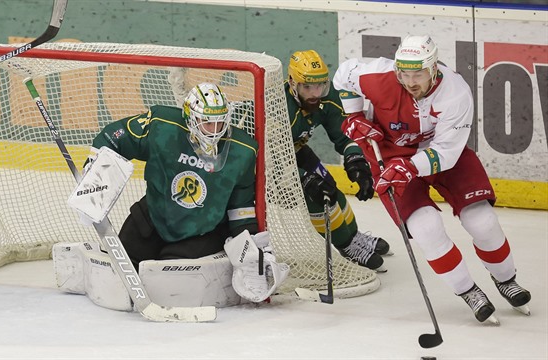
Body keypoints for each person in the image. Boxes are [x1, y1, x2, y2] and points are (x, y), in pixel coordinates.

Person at [332, 35, 531, 323]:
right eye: (405, 73)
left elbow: (447, 154)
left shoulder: (455, 93)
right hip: (390, 158)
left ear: (434, 68)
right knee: (427, 229)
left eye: (418, 74)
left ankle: (506, 280)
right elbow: (344, 75)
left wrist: (410, 167)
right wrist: (354, 115)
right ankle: (469, 291)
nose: (410, 82)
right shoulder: (378, 75)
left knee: (483, 221)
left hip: (440, 154)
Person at [60, 82, 289, 307]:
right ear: (190, 118)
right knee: (120, 267)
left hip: (200, 231)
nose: (215, 130)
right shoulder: (162, 125)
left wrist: (254, 249)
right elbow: (113, 137)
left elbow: (241, 208)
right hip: (154, 216)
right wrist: (95, 176)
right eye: (207, 122)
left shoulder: (243, 151)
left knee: (167, 280)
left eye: (220, 122)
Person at [285, 50, 391, 271]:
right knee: (316, 195)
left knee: (329, 185)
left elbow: (345, 134)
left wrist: (356, 160)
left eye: (320, 86)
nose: (316, 93)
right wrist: (304, 179)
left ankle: (352, 235)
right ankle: (345, 244)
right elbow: (269, 158)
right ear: (292, 83)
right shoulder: (281, 107)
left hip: (297, 150)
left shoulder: (327, 96)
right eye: (307, 87)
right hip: (268, 163)